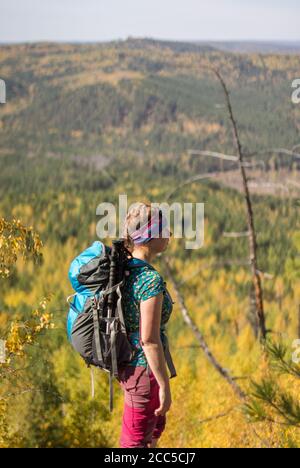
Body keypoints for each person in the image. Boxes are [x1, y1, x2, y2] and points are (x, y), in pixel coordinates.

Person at [118, 202, 174, 448]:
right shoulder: (150, 280)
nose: (170, 234)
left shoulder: (125, 268)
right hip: (144, 371)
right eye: (165, 229)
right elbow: (149, 340)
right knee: (134, 445)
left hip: (128, 366)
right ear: (149, 237)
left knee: (148, 440)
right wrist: (164, 386)